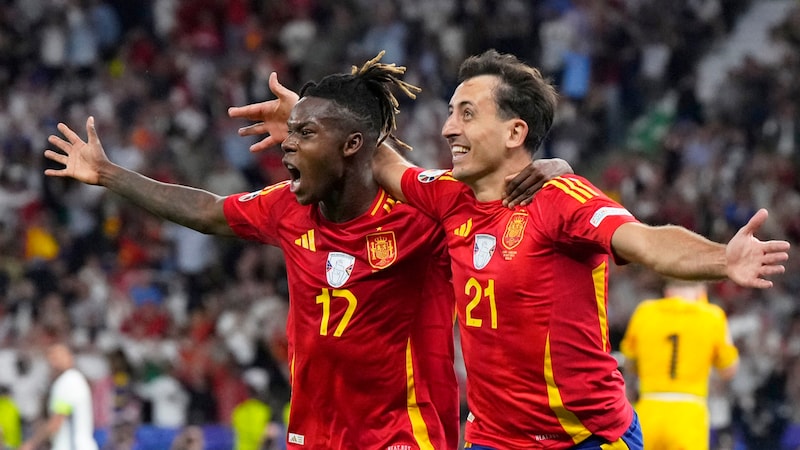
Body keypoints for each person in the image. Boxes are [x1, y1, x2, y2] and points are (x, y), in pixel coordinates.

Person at [230, 49, 791, 449]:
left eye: (466, 113)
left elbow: (645, 242)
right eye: (451, 111)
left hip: (584, 439)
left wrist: (724, 258)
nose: (448, 127)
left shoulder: (562, 199)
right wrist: (305, 119)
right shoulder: (447, 198)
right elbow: (378, 157)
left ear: (515, 133)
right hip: (492, 440)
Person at [43, 53, 566, 449]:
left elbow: (498, 193)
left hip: (405, 436)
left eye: (304, 133)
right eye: (291, 133)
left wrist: (551, 170)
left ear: (352, 147)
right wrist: (110, 174)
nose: (287, 145)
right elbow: (206, 211)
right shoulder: (287, 207)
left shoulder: (422, 211)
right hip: (313, 434)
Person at [619, 279, 739, 450]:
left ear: (668, 292)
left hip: (649, 409)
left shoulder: (644, 312)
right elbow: (728, 370)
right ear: (700, 292)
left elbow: (630, 363)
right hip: (689, 413)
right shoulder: (712, 315)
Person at [20, 344, 98, 450]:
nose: (53, 363)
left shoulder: (68, 381)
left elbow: (56, 421)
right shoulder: (74, 379)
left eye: (57, 358)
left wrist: (31, 444)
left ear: (69, 358)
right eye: (51, 359)